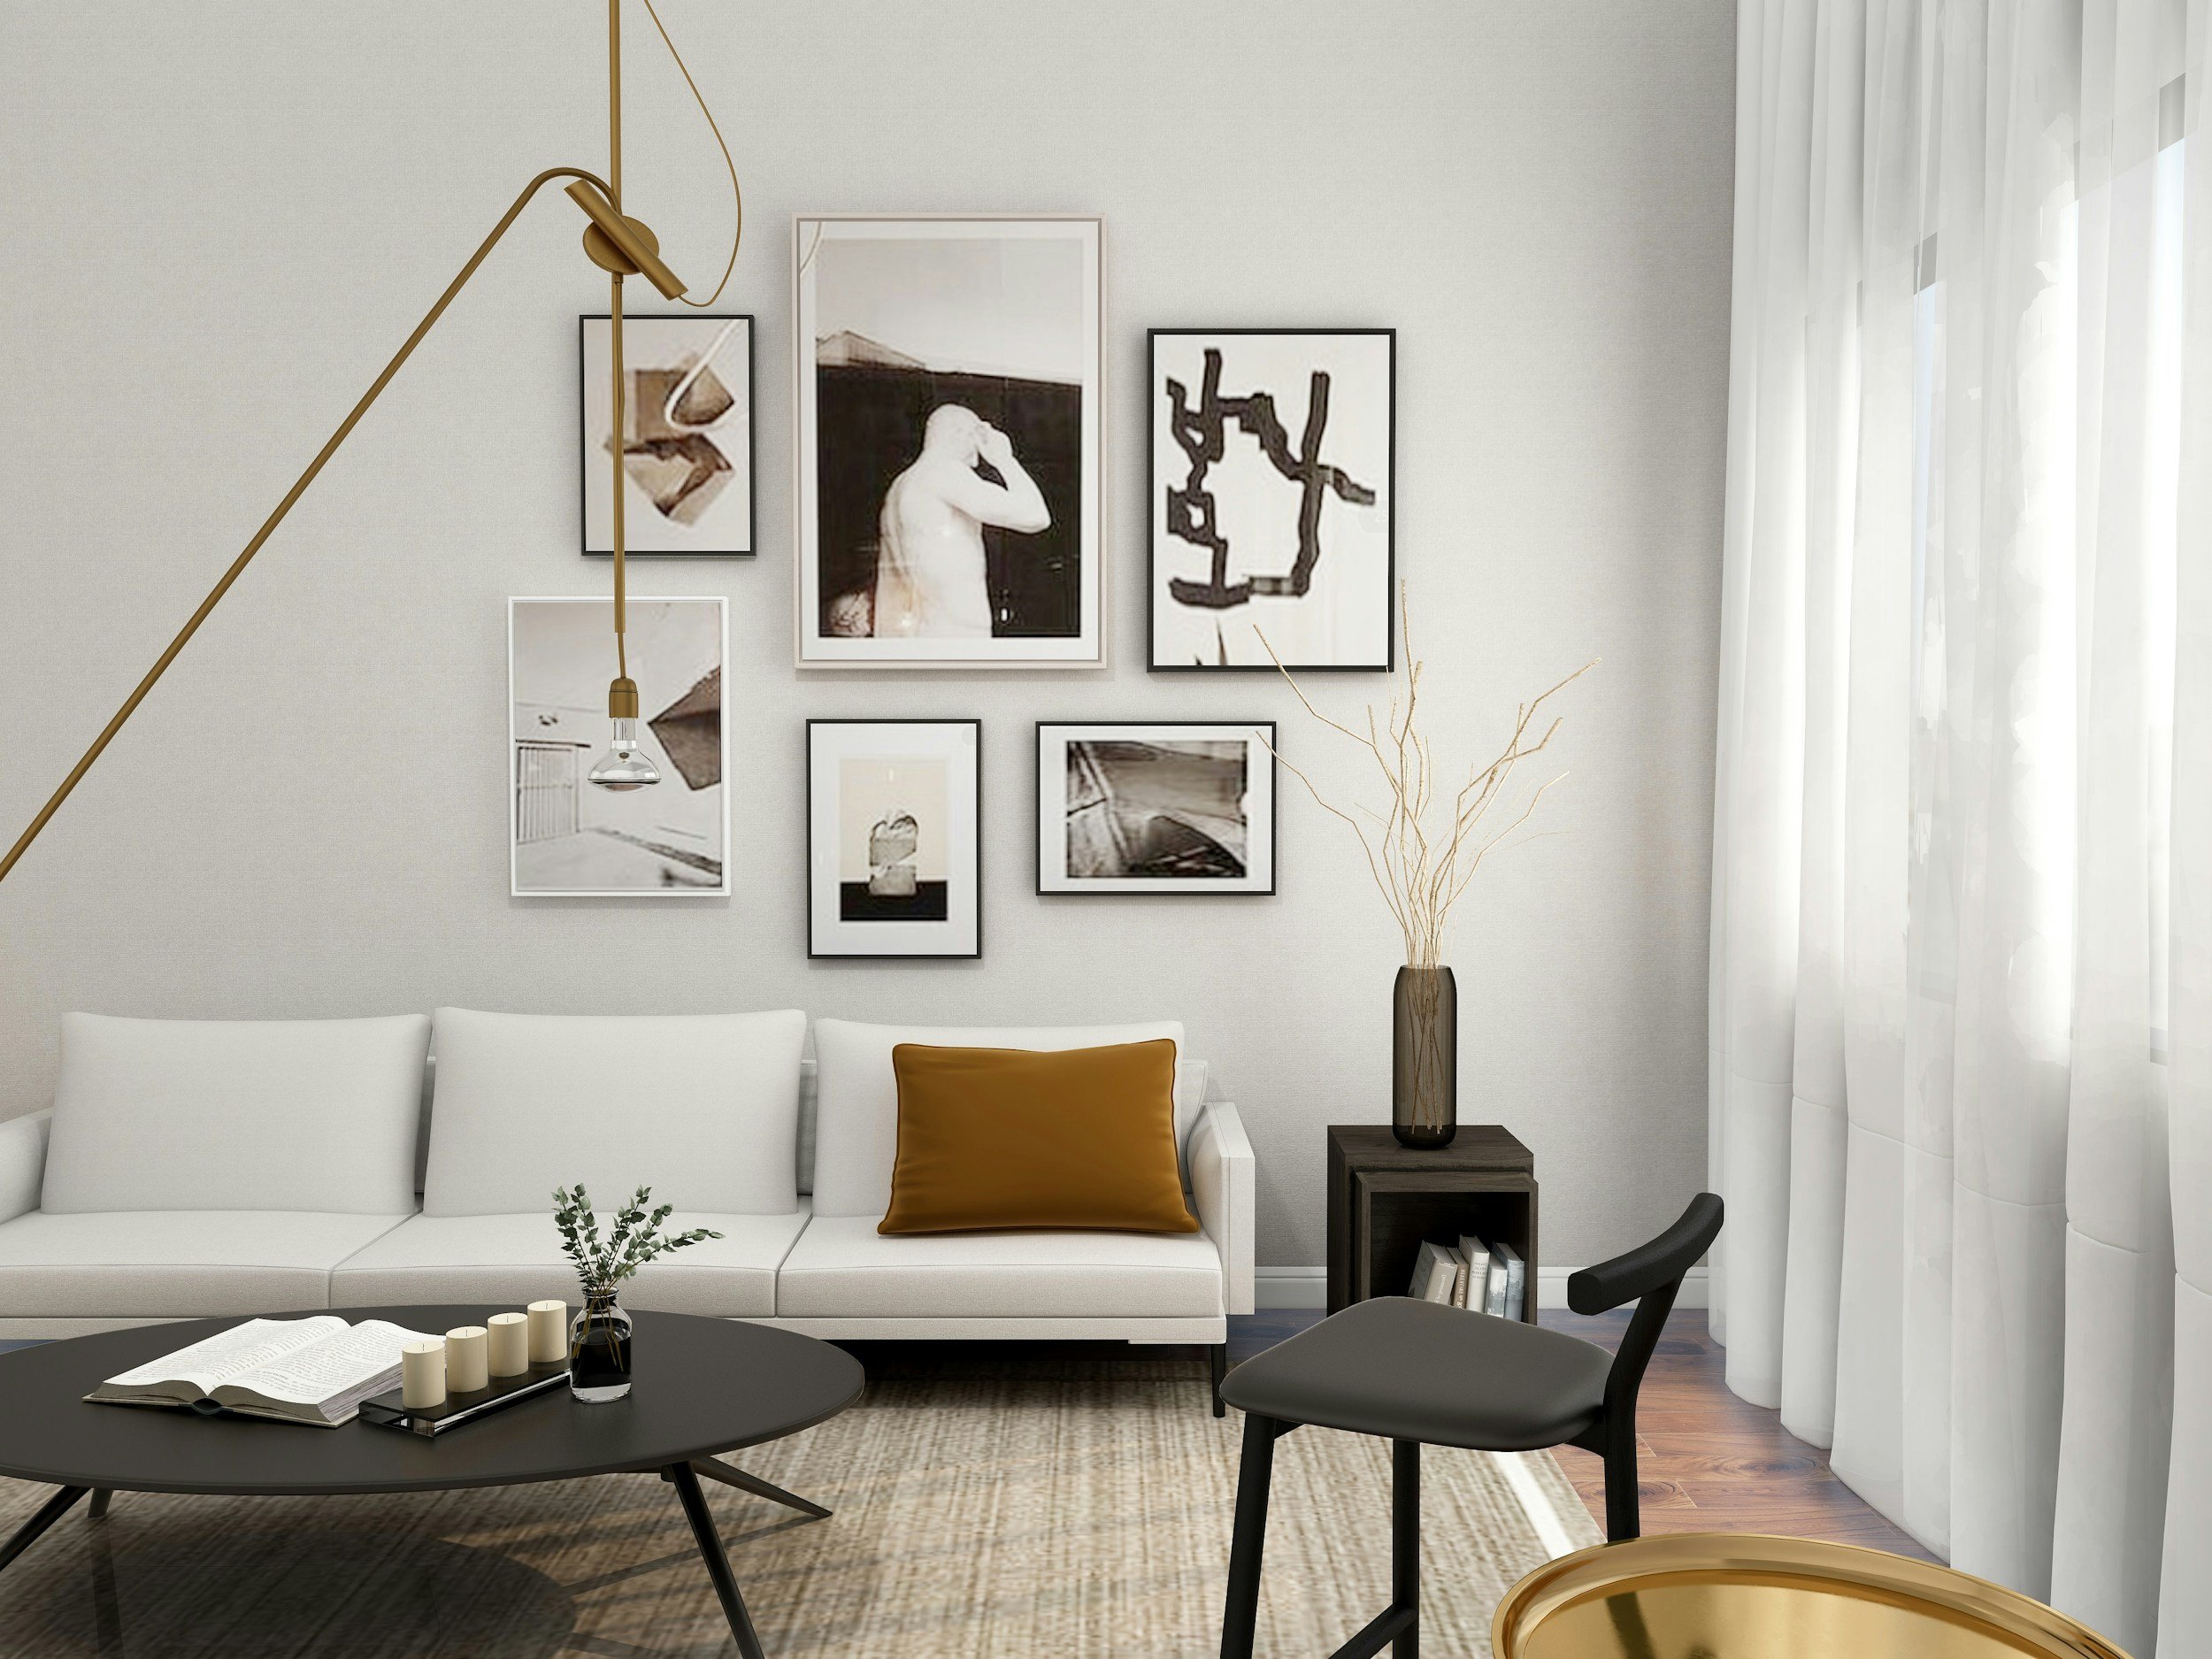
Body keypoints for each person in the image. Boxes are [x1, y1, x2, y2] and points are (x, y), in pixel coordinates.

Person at [872, 403, 1049, 639]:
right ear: (958, 434)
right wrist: (1005, 460)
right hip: (954, 633)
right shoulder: (943, 472)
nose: (978, 459)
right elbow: (1035, 516)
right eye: (977, 439)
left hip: (918, 634)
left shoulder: (900, 485)